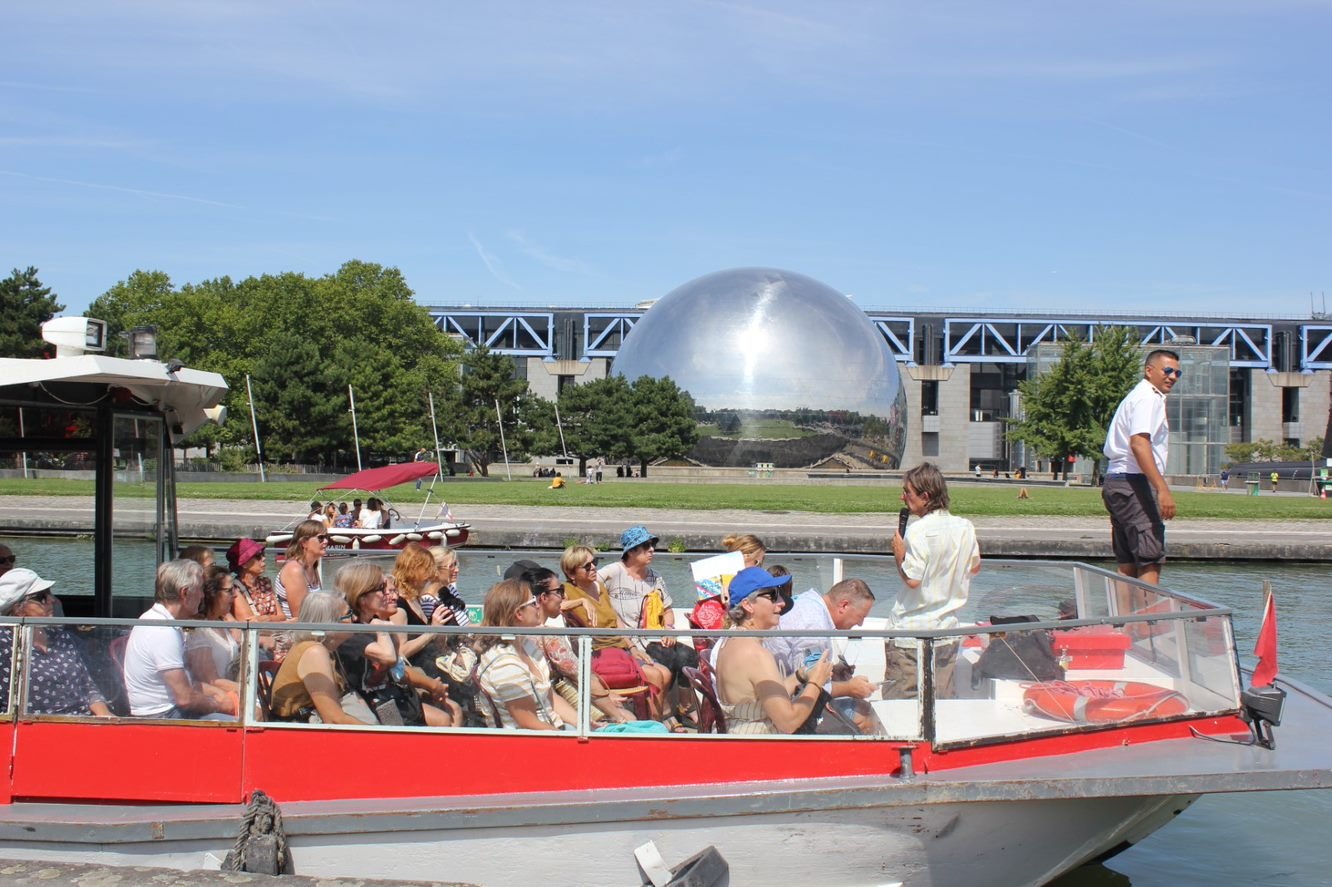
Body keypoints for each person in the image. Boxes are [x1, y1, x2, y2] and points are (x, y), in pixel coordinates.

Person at [888, 463, 981, 700]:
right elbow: (975, 567)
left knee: (902, 704)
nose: (903, 497)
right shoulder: (965, 527)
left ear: (925, 496)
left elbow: (912, 580)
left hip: (911, 633)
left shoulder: (918, 531)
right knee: (940, 704)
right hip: (946, 632)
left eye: (907, 492)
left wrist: (899, 554)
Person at [711, 567, 833, 734]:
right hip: (758, 750)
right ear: (748, 605)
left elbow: (763, 695)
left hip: (740, 741)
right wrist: (816, 682)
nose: (781, 603)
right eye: (773, 596)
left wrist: (800, 675)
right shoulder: (755, 654)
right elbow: (788, 723)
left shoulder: (731, 640)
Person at [338, 562, 458, 727]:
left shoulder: (372, 624)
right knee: (438, 721)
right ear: (363, 597)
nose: (387, 594)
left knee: (448, 713)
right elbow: (389, 658)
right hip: (368, 702)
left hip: (387, 695)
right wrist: (382, 628)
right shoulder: (350, 632)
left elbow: (396, 668)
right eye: (381, 589)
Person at [599, 525, 699, 723]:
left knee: (689, 655)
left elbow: (668, 610)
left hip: (654, 635)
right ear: (631, 551)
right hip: (628, 641)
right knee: (666, 658)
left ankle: (685, 707)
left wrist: (668, 629)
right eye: (645, 546)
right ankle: (664, 714)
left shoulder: (655, 577)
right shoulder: (613, 572)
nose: (652, 550)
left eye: (652, 545)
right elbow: (588, 585)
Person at [559, 544, 671, 719]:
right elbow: (556, 606)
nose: (593, 567)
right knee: (656, 675)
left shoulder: (599, 587)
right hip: (598, 654)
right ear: (572, 574)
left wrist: (633, 647)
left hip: (619, 648)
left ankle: (651, 721)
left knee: (665, 672)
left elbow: (615, 620)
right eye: (587, 566)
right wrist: (581, 601)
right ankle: (656, 728)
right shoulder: (567, 590)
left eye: (594, 562)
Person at [1102, 348, 1180, 586]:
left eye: (1178, 372)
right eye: (1167, 370)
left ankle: (1124, 621)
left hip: (1116, 481)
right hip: (1132, 481)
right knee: (1149, 558)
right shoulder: (1149, 397)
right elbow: (1139, 442)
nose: (1173, 377)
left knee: (1128, 561)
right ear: (1149, 371)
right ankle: (1147, 623)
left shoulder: (1137, 395)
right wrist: (1162, 489)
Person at [123, 559, 236, 720]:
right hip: (162, 716)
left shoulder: (158, 620)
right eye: (199, 590)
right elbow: (184, 698)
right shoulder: (163, 631)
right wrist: (218, 705)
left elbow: (187, 684)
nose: (203, 596)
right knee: (236, 727)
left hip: (167, 710)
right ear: (185, 593)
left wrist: (219, 694)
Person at [523, 565, 635, 725]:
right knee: (629, 718)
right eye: (559, 591)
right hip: (554, 704)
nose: (563, 597)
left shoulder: (516, 632)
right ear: (543, 598)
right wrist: (618, 715)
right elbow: (582, 677)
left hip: (544, 702)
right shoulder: (549, 637)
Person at [765, 578, 878, 730]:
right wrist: (850, 688)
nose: (860, 624)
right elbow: (808, 685)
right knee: (865, 715)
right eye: (861, 617)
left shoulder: (810, 601)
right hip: (782, 702)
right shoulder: (814, 626)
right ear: (844, 605)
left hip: (779, 687)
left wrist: (832, 670)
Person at [0, 569, 111, 717]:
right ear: (18, 609)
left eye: (50, 593)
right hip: (35, 726)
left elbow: (87, 685)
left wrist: (106, 717)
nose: (52, 599)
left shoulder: (61, 637)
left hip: (83, 722)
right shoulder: (5, 644)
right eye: (42, 597)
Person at [475, 579, 578, 731]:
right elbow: (529, 723)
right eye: (533, 601)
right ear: (519, 614)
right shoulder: (506, 665)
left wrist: (585, 725)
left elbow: (550, 698)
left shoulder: (526, 645)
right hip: (533, 741)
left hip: (555, 728)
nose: (538, 605)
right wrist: (569, 740)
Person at [269, 592, 377, 724]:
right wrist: (386, 740)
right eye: (348, 614)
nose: (354, 618)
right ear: (329, 623)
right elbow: (333, 720)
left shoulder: (325, 647)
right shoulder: (314, 652)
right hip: (304, 736)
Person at [185, 565, 242, 696]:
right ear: (212, 594)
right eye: (229, 591)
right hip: (215, 699)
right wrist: (251, 690)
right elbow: (211, 681)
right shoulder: (198, 631)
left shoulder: (220, 623)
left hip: (232, 692)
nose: (235, 595)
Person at [276, 520, 327, 620]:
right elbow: (300, 616)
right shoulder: (294, 570)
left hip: (313, 628)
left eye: (326, 537)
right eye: (321, 538)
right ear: (304, 543)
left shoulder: (312, 566)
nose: (326, 541)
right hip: (295, 633)